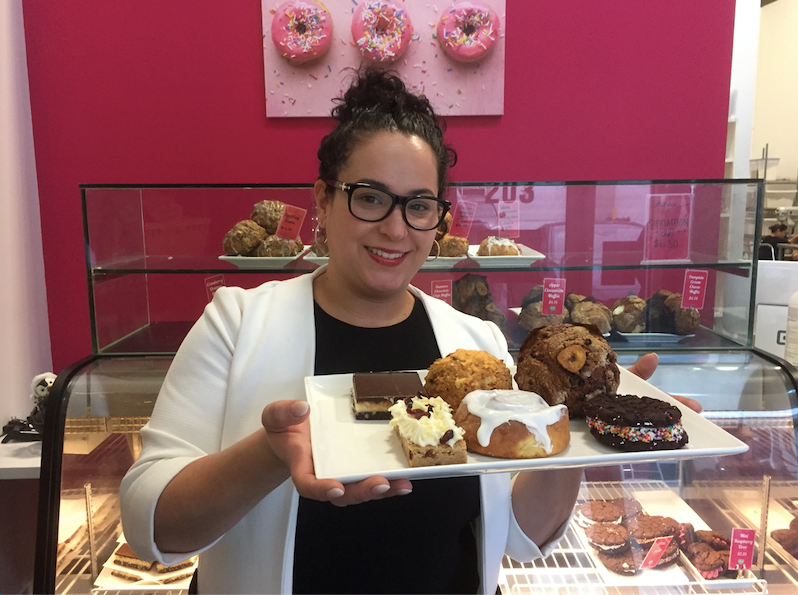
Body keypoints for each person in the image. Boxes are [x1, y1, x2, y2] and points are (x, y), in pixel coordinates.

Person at [120, 68, 700, 594]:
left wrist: (580, 430)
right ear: (323, 199)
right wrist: (269, 454)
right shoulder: (237, 323)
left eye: (419, 206)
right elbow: (151, 526)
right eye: (370, 197)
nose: (396, 229)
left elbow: (523, 538)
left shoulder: (478, 343)